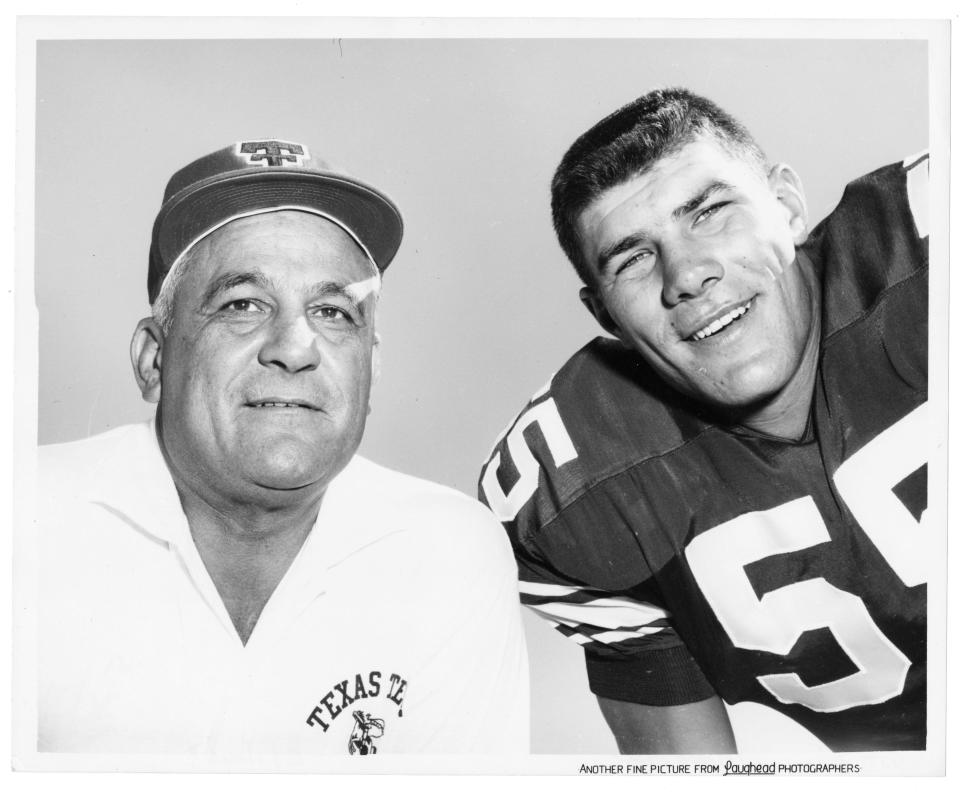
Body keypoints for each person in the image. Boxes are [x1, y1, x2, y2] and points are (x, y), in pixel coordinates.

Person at [38, 139, 529, 755]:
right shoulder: (24, 522)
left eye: (332, 311)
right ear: (154, 359)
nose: (295, 348)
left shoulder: (448, 552)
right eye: (242, 305)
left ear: (370, 368)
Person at [479, 89, 928, 753]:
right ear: (604, 314)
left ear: (786, 204)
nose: (687, 274)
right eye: (633, 258)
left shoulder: (925, 257)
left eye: (712, 213)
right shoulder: (580, 484)